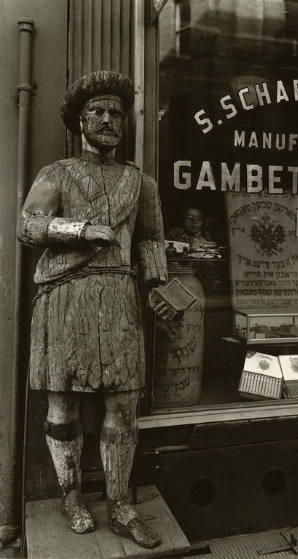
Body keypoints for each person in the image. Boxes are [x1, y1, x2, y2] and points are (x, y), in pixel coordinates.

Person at [17, 71, 172, 549]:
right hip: (65, 298)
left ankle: (122, 504)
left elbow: (149, 239)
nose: (108, 120)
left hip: (120, 299)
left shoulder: (138, 183)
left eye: (116, 114)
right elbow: (28, 226)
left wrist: (157, 286)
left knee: (123, 407)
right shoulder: (56, 174)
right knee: (62, 404)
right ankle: (70, 496)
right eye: (98, 112)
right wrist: (83, 230)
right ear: (79, 120)